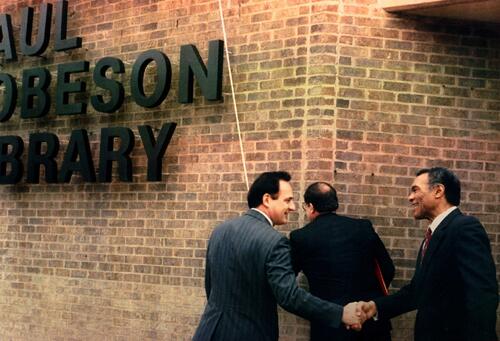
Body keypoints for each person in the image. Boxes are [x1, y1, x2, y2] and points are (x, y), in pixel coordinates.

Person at [193, 171, 365, 341]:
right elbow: (289, 296)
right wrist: (341, 313)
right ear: (267, 199)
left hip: (209, 331)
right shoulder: (275, 242)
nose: (293, 207)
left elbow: (211, 286)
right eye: (288, 200)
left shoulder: (220, 230)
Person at [361, 167, 498, 341]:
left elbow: (482, 296)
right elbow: (417, 291)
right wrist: (375, 307)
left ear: (438, 191)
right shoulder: (432, 236)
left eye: (415, 190)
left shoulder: (464, 227)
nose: (410, 198)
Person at [290, 182, 395, 341]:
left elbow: (288, 279)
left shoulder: (300, 237)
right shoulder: (363, 227)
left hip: (330, 326)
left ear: (310, 207)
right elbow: (388, 269)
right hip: (369, 321)